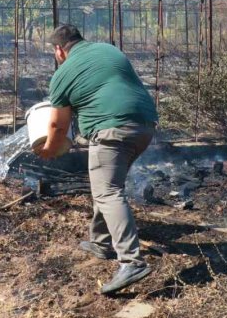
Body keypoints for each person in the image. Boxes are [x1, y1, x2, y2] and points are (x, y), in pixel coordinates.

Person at [35, 24, 158, 294]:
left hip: (112, 131)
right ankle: (102, 243)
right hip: (145, 126)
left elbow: (57, 126)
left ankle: (131, 261)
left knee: (108, 192)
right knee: (106, 187)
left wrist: (49, 150)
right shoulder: (109, 50)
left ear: (59, 50)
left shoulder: (63, 73)